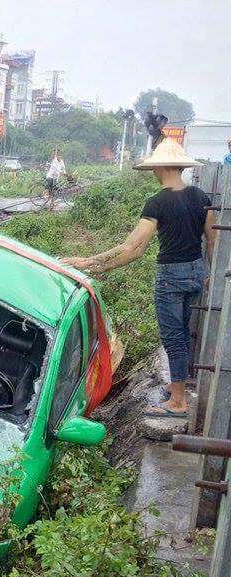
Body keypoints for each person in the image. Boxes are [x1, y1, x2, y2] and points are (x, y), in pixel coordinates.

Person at [62, 139, 216, 419]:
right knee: (183, 330)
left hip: (170, 276)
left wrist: (90, 263)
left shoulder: (158, 202)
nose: (154, 173)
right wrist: (209, 275)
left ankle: (178, 401)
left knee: (174, 336)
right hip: (195, 273)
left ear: (162, 168)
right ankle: (177, 384)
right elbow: (212, 240)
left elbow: (132, 248)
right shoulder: (200, 197)